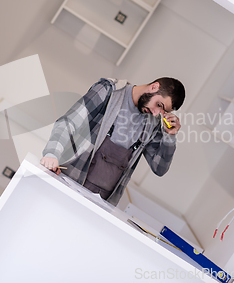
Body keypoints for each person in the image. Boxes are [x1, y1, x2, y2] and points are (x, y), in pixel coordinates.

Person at [40, 77, 185, 205]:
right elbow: (69, 122)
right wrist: (52, 154)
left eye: (162, 111)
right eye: (159, 105)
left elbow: (159, 168)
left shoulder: (152, 122)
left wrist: (170, 136)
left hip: (100, 204)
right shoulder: (109, 91)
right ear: (154, 87)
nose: (156, 113)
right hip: (67, 184)